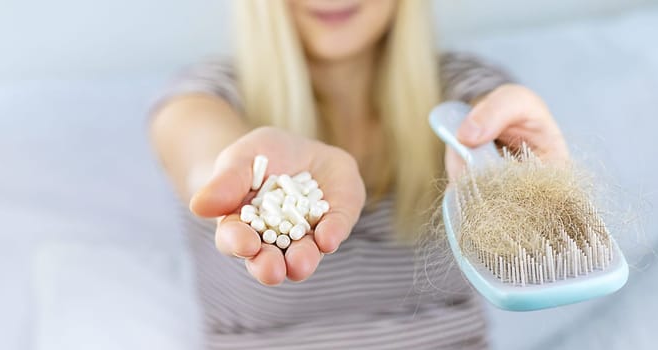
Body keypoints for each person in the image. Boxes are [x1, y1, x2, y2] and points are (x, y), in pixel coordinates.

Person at [150, 0, 568, 348]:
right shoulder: (206, 96)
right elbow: (200, 152)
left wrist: (520, 171)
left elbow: (502, 127)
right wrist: (232, 169)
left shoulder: (463, 91)